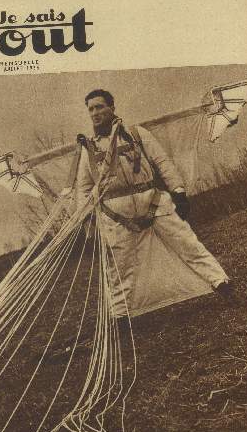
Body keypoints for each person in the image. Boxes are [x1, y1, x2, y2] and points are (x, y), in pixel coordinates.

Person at [76, 89, 234, 318]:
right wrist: (86, 218)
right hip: (116, 215)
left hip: (154, 201)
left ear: (112, 107)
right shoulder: (89, 149)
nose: (95, 113)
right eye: (90, 109)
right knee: (119, 267)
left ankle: (221, 282)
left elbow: (162, 162)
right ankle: (120, 315)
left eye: (99, 107)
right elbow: (84, 187)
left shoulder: (136, 134)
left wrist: (178, 192)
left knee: (187, 243)